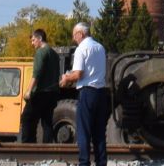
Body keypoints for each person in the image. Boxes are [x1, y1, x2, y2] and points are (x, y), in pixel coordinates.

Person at [59, 21, 107, 166]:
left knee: (84, 131)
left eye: (74, 35)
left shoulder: (81, 49)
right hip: (101, 92)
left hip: (87, 92)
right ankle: (101, 162)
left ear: (80, 34)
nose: (74, 39)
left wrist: (66, 78)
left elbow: (78, 74)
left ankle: (84, 162)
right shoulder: (100, 47)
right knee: (99, 132)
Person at [19, 28, 63, 144]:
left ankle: (27, 147)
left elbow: (37, 73)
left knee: (27, 118)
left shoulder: (41, 52)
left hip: (41, 93)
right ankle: (47, 150)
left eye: (33, 40)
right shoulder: (54, 54)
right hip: (52, 93)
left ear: (39, 39)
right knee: (47, 122)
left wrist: (29, 91)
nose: (32, 43)